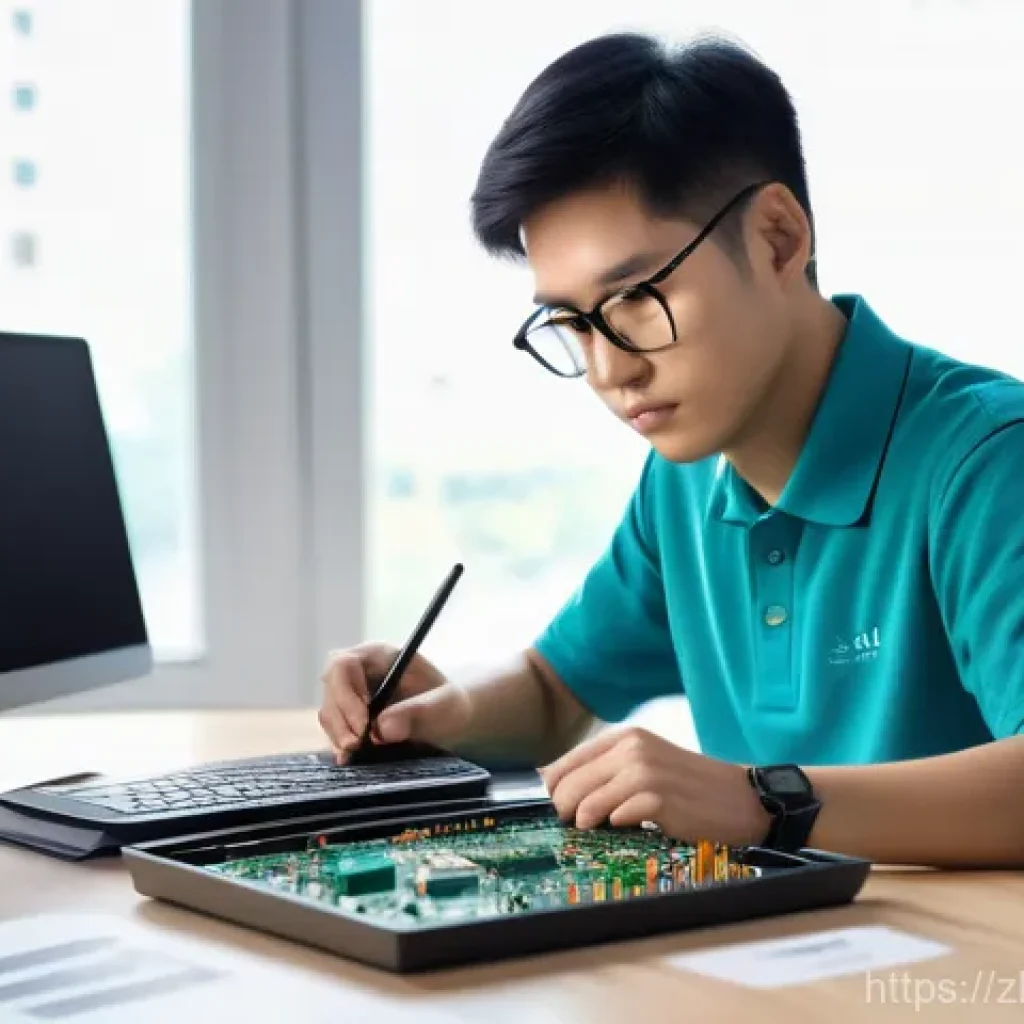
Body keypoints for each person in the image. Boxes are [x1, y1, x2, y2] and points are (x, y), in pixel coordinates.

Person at [319, 32, 1024, 868]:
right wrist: (439, 712)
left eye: (640, 298)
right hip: (775, 968)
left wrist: (763, 799)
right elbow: (556, 690)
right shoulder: (684, 480)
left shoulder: (984, 460)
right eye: (573, 323)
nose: (610, 369)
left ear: (776, 238)